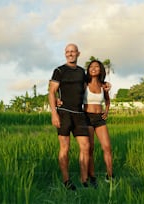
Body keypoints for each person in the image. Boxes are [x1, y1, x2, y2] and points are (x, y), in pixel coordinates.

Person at [48, 43, 90, 190]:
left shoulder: (82, 72)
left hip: (79, 114)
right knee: (65, 147)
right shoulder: (59, 70)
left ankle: (84, 180)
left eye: (73, 51)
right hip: (64, 113)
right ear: (65, 54)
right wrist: (54, 114)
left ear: (78, 53)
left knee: (85, 146)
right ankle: (66, 181)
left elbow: (88, 90)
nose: (70, 54)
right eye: (68, 52)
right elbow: (52, 92)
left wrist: (104, 86)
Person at [83, 60, 114, 187]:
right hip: (87, 117)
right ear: (88, 70)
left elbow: (107, 100)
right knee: (90, 149)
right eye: (91, 66)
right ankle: (92, 177)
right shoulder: (84, 84)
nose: (93, 68)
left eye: (96, 66)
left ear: (100, 70)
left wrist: (106, 111)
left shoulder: (103, 86)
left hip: (100, 119)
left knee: (107, 147)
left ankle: (110, 175)